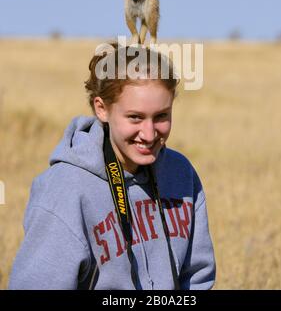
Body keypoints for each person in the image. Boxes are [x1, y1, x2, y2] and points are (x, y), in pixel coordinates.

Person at [8, 42, 216, 290]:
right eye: (135, 117)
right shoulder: (66, 188)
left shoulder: (181, 174)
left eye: (161, 116)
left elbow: (197, 278)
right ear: (102, 109)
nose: (149, 135)